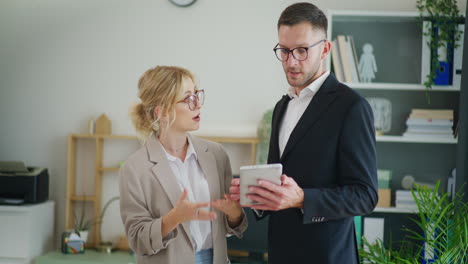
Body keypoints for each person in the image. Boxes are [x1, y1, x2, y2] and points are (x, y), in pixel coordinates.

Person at [229, 3, 378, 264]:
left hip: (327, 256)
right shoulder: (281, 107)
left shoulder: (352, 107)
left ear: (325, 49)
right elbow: (281, 179)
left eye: (301, 50)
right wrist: (254, 193)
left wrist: (302, 199)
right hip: (280, 253)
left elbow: (365, 196)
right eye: (284, 51)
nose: (291, 61)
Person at [119, 66, 248, 264]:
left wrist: (234, 213)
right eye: (188, 98)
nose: (197, 105)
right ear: (161, 112)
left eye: (197, 95)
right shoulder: (134, 168)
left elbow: (234, 226)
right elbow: (138, 240)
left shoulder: (216, 154)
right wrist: (173, 218)